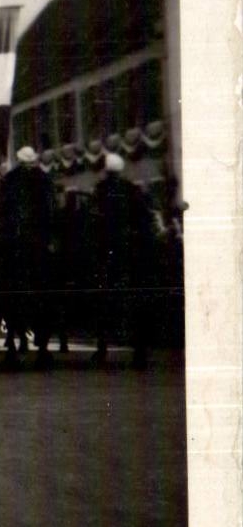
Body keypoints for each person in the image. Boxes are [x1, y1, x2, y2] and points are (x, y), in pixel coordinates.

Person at [87, 152, 156, 367]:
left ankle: (102, 349)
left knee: (103, 301)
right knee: (136, 301)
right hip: (131, 253)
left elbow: (93, 222)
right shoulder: (132, 189)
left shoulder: (100, 191)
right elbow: (145, 220)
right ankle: (140, 352)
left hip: (106, 254)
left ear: (106, 171)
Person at [0, 146, 58, 369]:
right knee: (43, 297)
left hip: (14, 249)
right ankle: (42, 349)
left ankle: (14, 346)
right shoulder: (44, 179)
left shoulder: (9, 180)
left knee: (12, 297)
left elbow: (1, 214)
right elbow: (52, 212)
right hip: (39, 249)